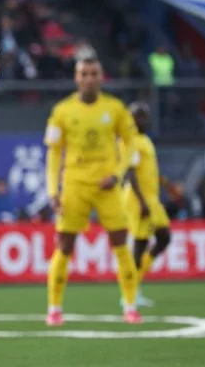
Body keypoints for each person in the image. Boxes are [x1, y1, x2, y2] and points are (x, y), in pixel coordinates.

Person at [43, 58, 141, 326]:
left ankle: (130, 306)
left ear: (101, 76)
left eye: (94, 73)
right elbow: (53, 154)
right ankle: (54, 308)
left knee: (121, 243)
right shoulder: (62, 111)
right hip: (75, 185)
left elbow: (131, 142)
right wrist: (53, 191)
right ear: (76, 78)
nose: (88, 78)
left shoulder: (115, 108)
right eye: (84, 73)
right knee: (64, 245)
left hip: (107, 186)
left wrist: (118, 174)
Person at [122, 101, 171, 307]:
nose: (143, 119)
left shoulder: (145, 140)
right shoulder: (131, 140)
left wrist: (167, 185)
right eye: (139, 116)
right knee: (139, 244)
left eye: (144, 115)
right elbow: (131, 173)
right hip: (138, 199)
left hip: (152, 198)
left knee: (164, 237)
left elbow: (148, 170)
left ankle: (136, 282)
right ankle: (130, 294)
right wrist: (141, 202)